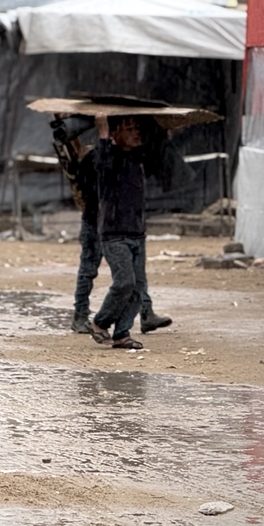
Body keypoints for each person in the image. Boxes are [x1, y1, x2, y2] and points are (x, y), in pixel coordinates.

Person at [71, 142, 172, 335]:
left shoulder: (129, 157)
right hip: (98, 220)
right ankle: (82, 315)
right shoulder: (97, 158)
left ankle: (144, 311)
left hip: (119, 223)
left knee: (136, 277)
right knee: (92, 269)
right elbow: (88, 186)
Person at [89, 113, 152, 350]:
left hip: (137, 232)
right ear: (115, 134)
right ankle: (100, 322)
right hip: (114, 233)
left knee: (137, 287)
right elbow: (102, 164)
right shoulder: (107, 158)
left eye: (137, 127)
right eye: (128, 128)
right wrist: (103, 134)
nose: (135, 132)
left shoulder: (137, 157)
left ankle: (122, 333)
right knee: (124, 281)